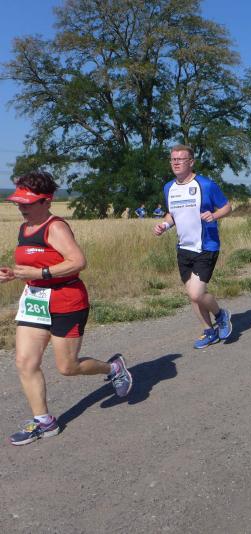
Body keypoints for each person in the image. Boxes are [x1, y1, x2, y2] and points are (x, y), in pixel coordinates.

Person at [1, 171, 133, 446]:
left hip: (67, 301)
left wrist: (40, 273)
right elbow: (33, 265)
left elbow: (77, 262)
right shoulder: (24, 228)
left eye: (28, 203)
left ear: (46, 201)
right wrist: (14, 274)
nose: (22, 208)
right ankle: (44, 421)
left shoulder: (55, 227)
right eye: (19, 202)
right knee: (25, 362)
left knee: (68, 367)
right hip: (35, 301)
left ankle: (113, 368)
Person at [153, 144, 233, 349]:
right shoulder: (168, 187)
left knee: (197, 293)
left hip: (206, 245)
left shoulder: (205, 185)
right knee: (192, 296)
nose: (176, 163)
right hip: (184, 247)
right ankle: (209, 331)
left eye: (180, 159)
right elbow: (172, 214)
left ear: (191, 162)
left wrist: (214, 215)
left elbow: (227, 206)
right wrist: (164, 225)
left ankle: (221, 315)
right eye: (173, 159)